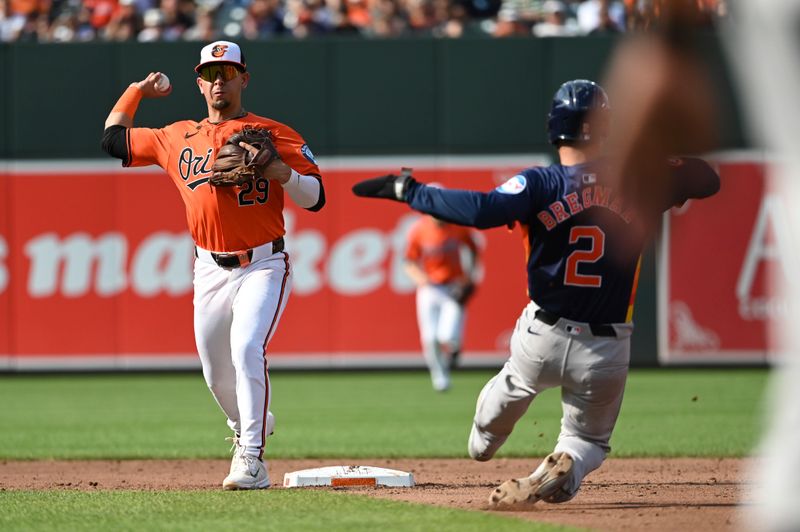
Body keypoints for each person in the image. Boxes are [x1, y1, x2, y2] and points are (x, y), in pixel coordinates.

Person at [352, 79, 719, 507]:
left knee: (510, 390)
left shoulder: (541, 183)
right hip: (607, 346)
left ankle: (486, 440)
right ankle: (569, 462)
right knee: (588, 441)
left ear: (554, 129)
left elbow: (481, 210)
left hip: (543, 335)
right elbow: (707, 179)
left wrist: (409, 190)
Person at [100, 40, 325, 490]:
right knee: (214, 371)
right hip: (208, 268)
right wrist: (136, 90)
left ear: (244, 78)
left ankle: (253, 459)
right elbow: (112, 139)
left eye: (227, 73)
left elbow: (316, 198)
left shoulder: (273, 132)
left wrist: (281, 172)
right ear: (199, 83)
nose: (218, 81)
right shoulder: (176, 136)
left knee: (246, 349)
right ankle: (251, 423)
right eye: (209, 74)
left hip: (263, 264)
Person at [403, 204, 481, 392]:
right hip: (429, 287)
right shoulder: (420, 229)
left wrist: (469, 276)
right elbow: (409, 261)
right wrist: (420, 279)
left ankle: (454, 348)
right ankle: (440, 376)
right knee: (430, 338)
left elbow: (473, 249)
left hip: (453, 286)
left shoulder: (458, 227)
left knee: (447, 335)